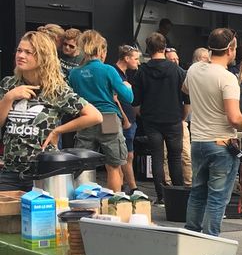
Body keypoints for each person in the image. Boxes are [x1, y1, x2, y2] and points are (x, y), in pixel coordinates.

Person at [0, 31, 101, 191]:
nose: (21, 55)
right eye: (19, 50)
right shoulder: (9, 84)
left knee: (42, 216)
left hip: (44, 170)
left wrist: (58, 131)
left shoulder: (55, 89)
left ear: (43, 56)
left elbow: (95, 116)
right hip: (10, 171)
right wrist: (9, 98)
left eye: (28, 52)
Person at [184, 28, 242, 236]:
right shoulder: (227, 79)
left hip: (198, 141)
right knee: (217, 198)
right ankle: (210, 242)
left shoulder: (194, 69)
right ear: (230, 50)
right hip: (221, 145)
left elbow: (185, 89)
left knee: (197, 192)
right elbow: (234, 118)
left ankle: (191, 236)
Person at [68, 30, 134, 193]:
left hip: (86, 118)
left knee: (83, 165)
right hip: (109, 117)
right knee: (113, 165)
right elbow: (128, 98)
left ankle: (84, 203)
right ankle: (114, 204)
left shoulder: (74, 73)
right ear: (101, 50)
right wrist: (128, 87)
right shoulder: (108, 70)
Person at [132, 32, 187, 205]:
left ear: (148, 49)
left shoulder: (141, 72)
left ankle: (161, 195)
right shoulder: (178, 71)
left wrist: (145, 115)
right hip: (173, 119)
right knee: (175, 157)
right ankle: (178, 194)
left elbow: (136, 102)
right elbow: (187, 99)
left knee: (157, 157)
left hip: (151, 120)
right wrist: (182, 116)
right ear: (164, 47)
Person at [112, 44, 140, 195]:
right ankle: (132, 187)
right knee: (125, 155)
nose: (138, 62)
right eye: (136, 59)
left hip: (129, 118)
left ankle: (124, 185)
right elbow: (114, 99)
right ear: (127, 58)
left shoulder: (124, 74)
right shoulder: (114, 74)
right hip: (123, 120)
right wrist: (125, 118)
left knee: (127, 154)